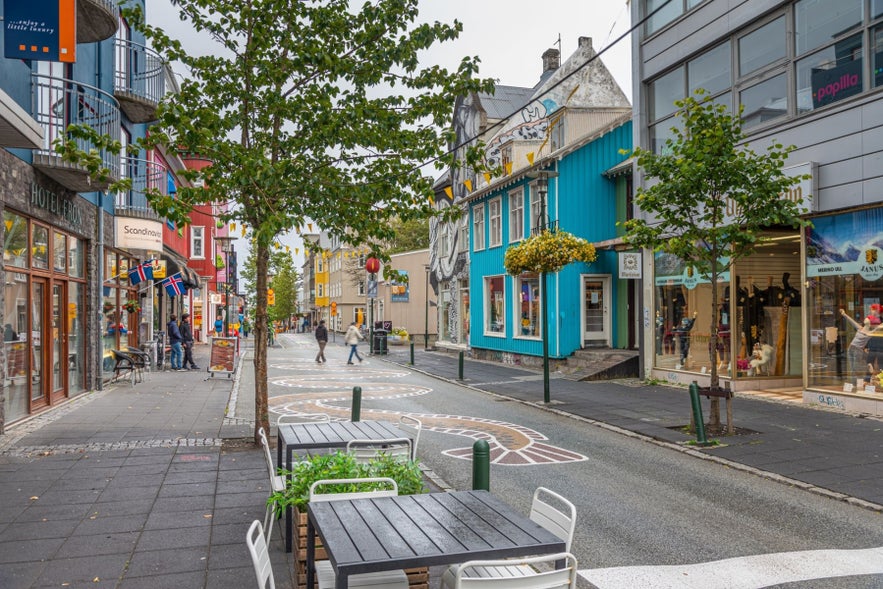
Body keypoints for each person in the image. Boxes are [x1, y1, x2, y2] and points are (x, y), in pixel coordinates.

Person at [840, 308, 883, 379]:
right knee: (852, 368)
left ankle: (866, 369)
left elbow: (878, 327)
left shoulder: (870, 333)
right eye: (867, 318)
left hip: (858, 350)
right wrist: (844, 314)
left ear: (870, 323)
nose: (866, 318)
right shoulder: (860, 328)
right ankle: (855, 383)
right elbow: (851, 321)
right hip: (850, 348)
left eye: (868, 319)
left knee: (856, 367)